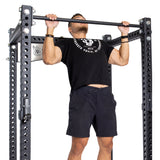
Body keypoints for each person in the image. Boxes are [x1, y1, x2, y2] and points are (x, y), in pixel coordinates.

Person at [43, 13, 129, 160]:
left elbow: (122, 60)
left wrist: (124, 35)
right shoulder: (67, 43)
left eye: (83, 20)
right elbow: (49, 59)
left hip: (105, 96)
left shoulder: (101, 43)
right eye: (76, 20)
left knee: (107, 144)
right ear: (70, 28)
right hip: (83, 95)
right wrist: (50, 29)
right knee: (79, 144)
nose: (81, 21)